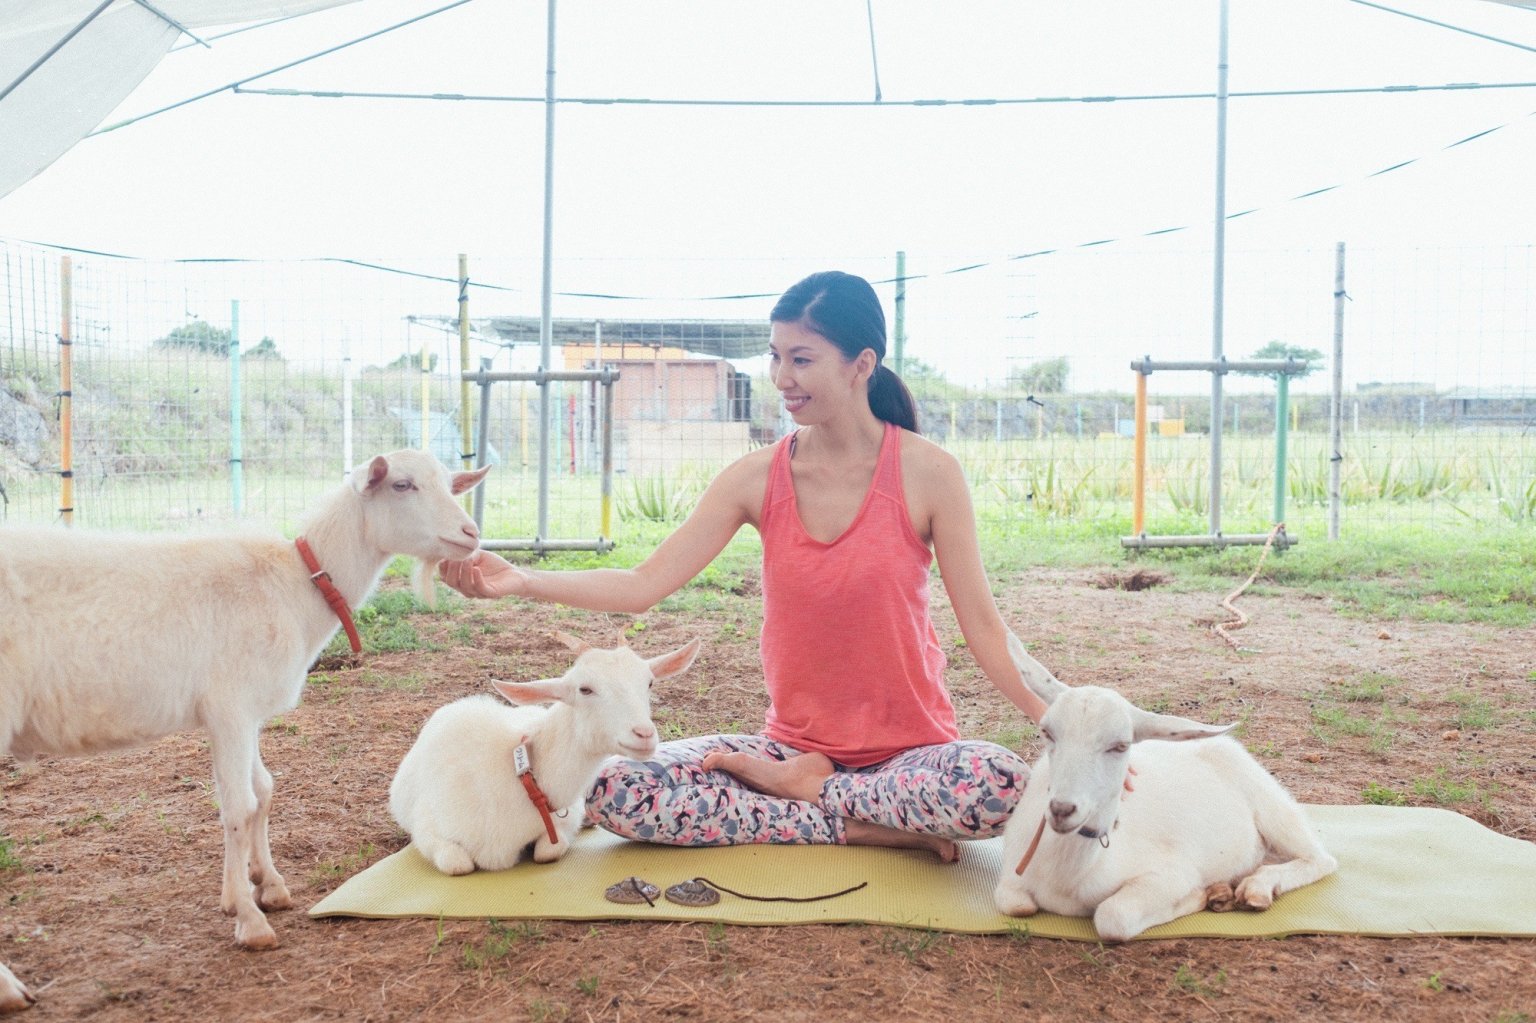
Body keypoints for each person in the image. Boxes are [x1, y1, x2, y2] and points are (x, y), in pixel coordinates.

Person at [440, 270, 1052, 862]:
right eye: (775, 356)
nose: (782, 377)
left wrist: (1058, 723)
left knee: (997, 784)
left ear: (862, 364)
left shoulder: (929, 473)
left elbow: (985, 629)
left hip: (908, 761)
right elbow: (642, 585)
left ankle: (816, 797)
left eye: (802, 359)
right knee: (618, 788)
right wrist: (522, 580)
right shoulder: (755, 477)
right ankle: (854, 824)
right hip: (789, 750)